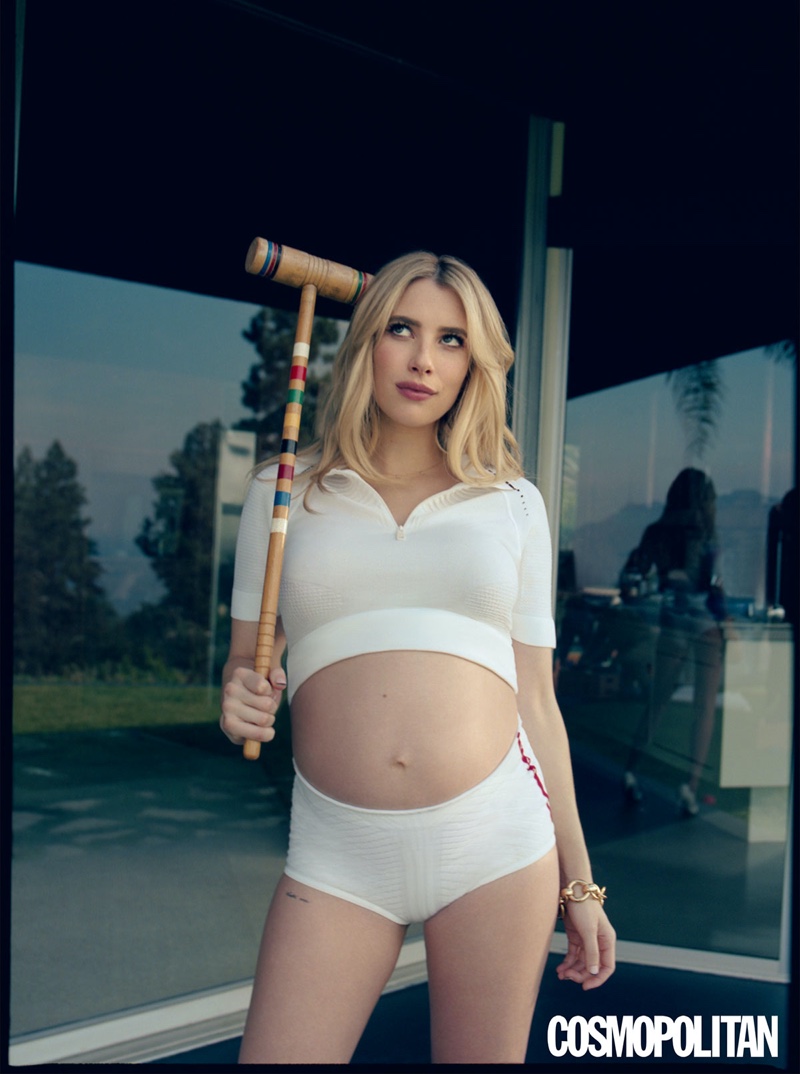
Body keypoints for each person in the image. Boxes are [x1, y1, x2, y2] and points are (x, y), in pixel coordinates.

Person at [220, 250, 615, 1064]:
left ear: (475, 364)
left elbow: (538, 704)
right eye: (401, 329)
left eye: (451, 339)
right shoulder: (284, 491)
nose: (423, 359)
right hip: (335, 852)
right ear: (367, 340)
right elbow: (245, 669)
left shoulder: (510, 503)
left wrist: (581, 887)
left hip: (495, 847)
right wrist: (239, 698)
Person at [621, 468, 726, 816]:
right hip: (702, 621)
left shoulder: (658, 531)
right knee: (704, 708)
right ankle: (690, 787)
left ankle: (632, 772)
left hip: (674, 619)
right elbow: (713, 585)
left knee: (659, 699)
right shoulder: (705, 531)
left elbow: (633, 575)